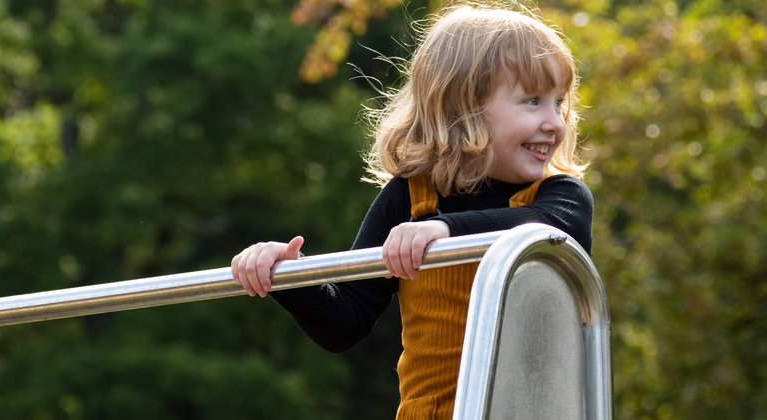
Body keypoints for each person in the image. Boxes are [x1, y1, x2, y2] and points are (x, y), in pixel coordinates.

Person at [231, 3, 593, 418]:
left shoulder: (559, 197)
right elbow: (346, 319)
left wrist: (445, 230)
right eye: (532, 101)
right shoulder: (409, 198)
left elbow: (546, 229)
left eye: (558, 102)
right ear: (464, 107)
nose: (554, 122)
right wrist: (288, 276)